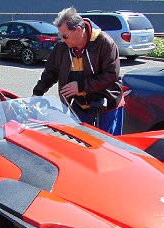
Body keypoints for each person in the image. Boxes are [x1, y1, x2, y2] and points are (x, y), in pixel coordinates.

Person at [33, 7, 124, 135]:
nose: (62, 40)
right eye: (60, 36)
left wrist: (81, 86)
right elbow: (50, 72)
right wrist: (37, 93)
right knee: (79, 144)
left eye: (65, 36)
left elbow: (111, 75)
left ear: (79, 30)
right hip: (79, 106)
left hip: (107, 105)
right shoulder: (62, 47)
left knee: (108, 147)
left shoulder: (104, 43)